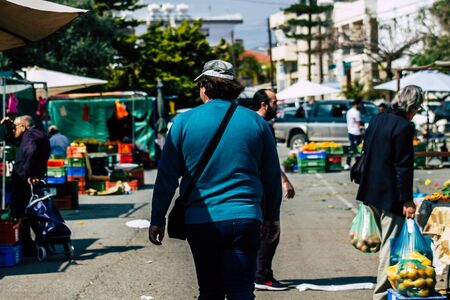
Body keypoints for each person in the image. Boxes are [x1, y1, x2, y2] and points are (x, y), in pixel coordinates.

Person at [148, 60, 282, 299]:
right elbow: (271, 176)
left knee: (210, 291)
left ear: (205, 87)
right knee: (242, 290)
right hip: (245, 217)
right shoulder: (256, 122)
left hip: (202, 221)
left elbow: (167, 177)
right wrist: (272, 216)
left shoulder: (183, 122)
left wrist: (157, 219)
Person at [355, 85, 423, 300]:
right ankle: (382, 295)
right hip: (390, 194)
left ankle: (387, 289)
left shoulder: (378, 118)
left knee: (384, 243)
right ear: (411, 106)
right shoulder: (404, 127)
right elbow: (403, 166)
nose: (416, 112)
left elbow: (367, 150)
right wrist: (407, 200)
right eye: (418, 108)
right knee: (390, 246)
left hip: (370, 189)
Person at [251, 89, 295, 291]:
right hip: (264, 187)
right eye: (275, 102)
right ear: (264, 104)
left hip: (257, 185)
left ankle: (258, 273)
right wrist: (284, 181)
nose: (277, 106)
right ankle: (262, 276)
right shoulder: (262, 125)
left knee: (262, 231)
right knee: (270, 231)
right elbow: (268, 161)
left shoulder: (250, 122)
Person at [0, 115, 51, 255]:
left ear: (23, 126)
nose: (15, 130)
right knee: (31, 212)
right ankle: (39, 242)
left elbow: (30, 151)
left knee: (21, 212)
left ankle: (29, 246)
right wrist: (9, 126)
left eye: (16, 127)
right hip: (32, 178)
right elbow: (14, 139)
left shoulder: (30, 136)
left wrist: (28, 174)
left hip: (25, 180)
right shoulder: (37, 133)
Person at [344, 99, 363, 170]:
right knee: (357, 149)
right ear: (356, 104)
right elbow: (358, 123)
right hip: (356, 132)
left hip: (350, 131)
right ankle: (358, 164)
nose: (360, 106)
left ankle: (347, 163)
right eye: (360, 104)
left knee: (351, 148)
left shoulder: (349, 112)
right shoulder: (356, 112)